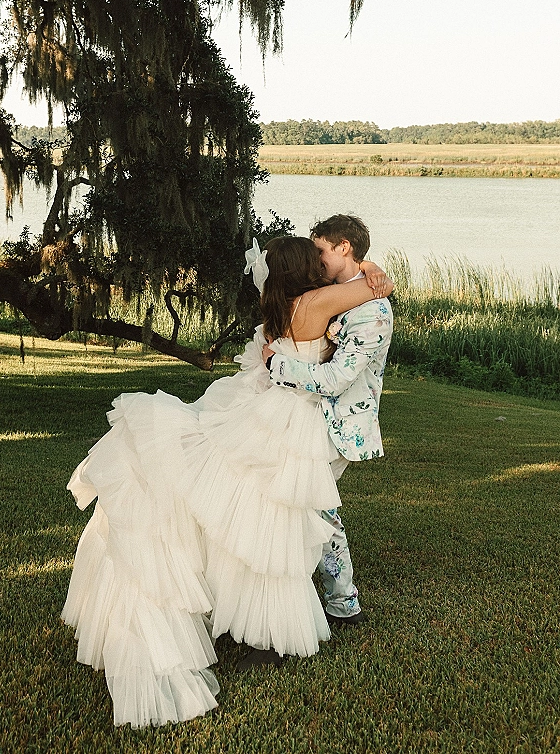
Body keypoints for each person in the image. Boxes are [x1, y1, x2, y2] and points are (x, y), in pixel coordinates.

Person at [61, 235, 393, 727]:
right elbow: (374, 291)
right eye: (316, 258)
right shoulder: (318, 301)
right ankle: (273, 627)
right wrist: (374, 269)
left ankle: (262, 615)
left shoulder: (279, 306)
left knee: (257, 516)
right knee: (274, 520)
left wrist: (364, 263)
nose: (324, 263)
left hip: (268, 408)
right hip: (291, 417)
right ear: (304, 270)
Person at [263, 215, 393, 627]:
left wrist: (277, 365)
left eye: (320, 251)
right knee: (314, 510)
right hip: (310, 420)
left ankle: (334, 601)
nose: (315, 261)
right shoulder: (339, 291)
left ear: (343, 248)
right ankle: (340, 601)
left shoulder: (372, 313)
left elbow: (337, 379)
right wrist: (371, 269)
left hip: (339, 425)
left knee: (313, 509)